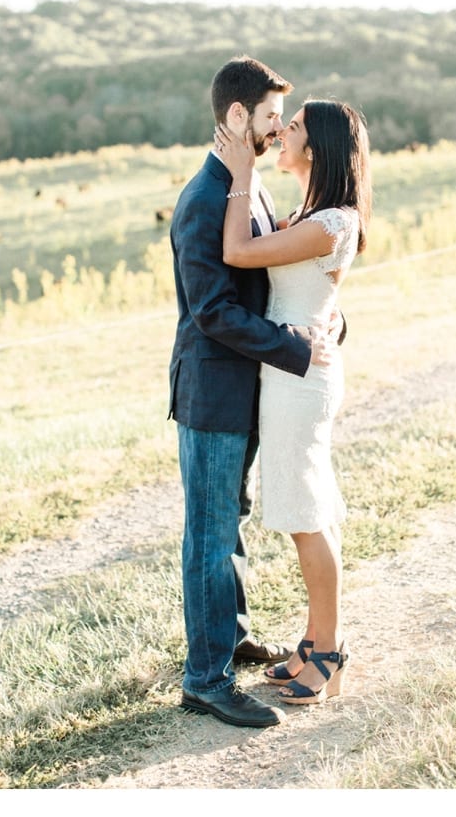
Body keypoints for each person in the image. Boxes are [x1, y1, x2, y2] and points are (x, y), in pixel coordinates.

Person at [167, 55, 335, 729]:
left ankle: (228, 639)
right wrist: (295, 349)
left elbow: (268, 282)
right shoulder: (205, 198)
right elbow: (212, 311)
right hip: (213, 393)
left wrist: (322, 321)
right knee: (210, 535)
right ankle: (205, 678)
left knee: (225, 524)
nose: (274, 130)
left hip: (244, 390)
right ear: (237, 116)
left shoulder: (245, 186)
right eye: (269, 117)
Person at [215, 97, 370, 705]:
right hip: (292, 370)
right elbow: (311, 297)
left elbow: (236, 253)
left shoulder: (331, 221)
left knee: (306, 516)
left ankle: (329, 653)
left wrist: (241, 174)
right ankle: (313, 641)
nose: (282, 131)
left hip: (300, 381)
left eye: (295, 127)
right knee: (310, 509)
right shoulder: (313, 212)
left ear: (318, 147)